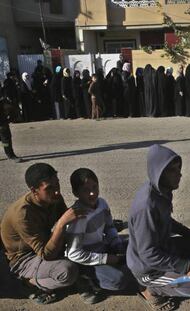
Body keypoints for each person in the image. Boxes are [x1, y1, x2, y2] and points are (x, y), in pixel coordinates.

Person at [127, 144, 190, 311]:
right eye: (172, 170)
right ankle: (150, 290)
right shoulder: (146, 207)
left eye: (178, 168)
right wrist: (187, 267)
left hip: (163, 248)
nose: (179, 174)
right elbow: (148, 254)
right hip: (149, 270)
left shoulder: (160, 190)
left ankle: (178, 272)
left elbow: (166, 220)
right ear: (159, 172)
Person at [0, 163, 86, 304]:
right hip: (24, 258)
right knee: (68, 272)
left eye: (57, 185)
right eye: (49, 188)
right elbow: (46, 254)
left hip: (45, 245)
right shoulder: (23, 214)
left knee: (86, 242)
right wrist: (61, 224)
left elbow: (68, 222)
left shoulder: (54, 197)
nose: (57, 191)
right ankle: (30, 283)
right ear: (34, 191)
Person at [66, 168, 129, 304]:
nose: (92, 193)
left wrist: (116, 244)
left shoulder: (102, 203)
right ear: (76, 193)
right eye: (85, 190)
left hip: (102, 247)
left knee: (136, 246)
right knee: (118, 280)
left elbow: (109, 226)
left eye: (95, 187)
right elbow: (73, 253)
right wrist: (107, 259)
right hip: (86, 258)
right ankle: (84, 277)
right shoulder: (79, 216)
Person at [0, 97, 22, 162]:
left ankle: (10, 154)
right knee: (5, 139)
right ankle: (10, 154)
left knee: (5, 139)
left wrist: (10, 118)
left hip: (2, 120)